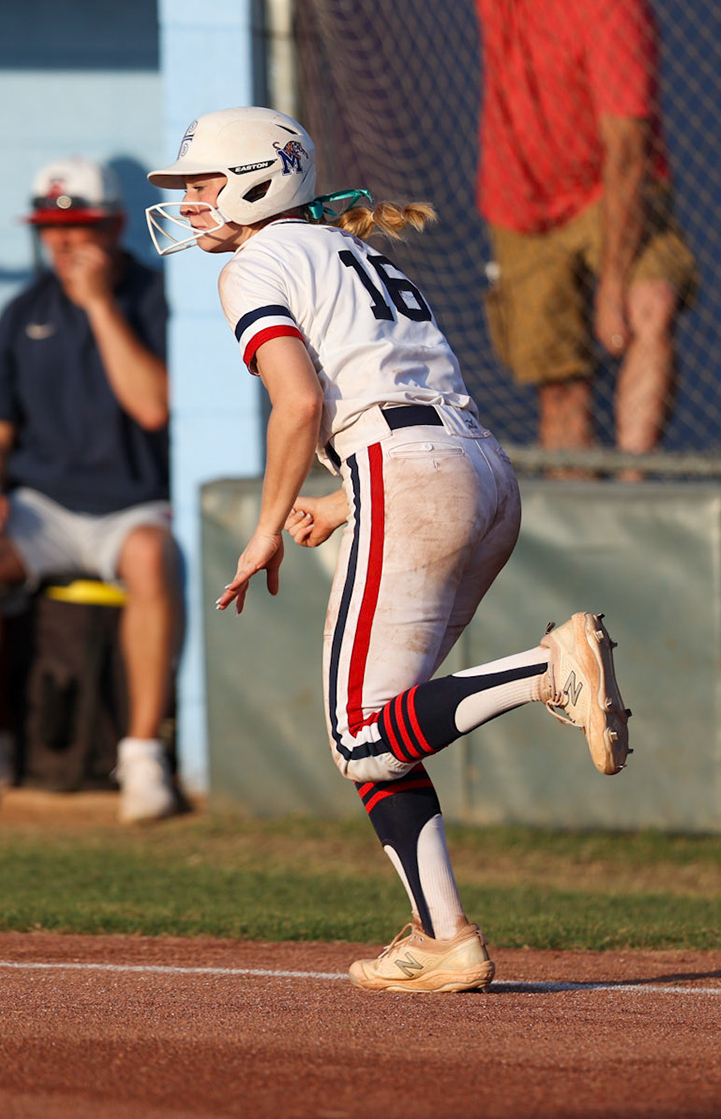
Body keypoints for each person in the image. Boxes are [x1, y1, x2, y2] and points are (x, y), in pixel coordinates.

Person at [146, 106, 630, 992]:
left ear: (261, 179)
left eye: (204, 183)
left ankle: (547, 670)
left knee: (361, 731)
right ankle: (442, 935)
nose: (191, 203)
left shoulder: (258, 260)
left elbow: (298, 404)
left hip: (406, 468)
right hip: (475, 468)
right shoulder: (347, 247)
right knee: (381, 733)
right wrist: (340, 505)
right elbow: (398, 392)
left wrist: (266, 527)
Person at [358, 0, 694, 470]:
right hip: (519, 201)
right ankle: (586, 519)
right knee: (560, 381)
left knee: (650, 306)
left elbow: (627, 150)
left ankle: (637, 485)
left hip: (605, 191)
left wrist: (614, 282)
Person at [0, 157, 183, 824]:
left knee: (151, 557)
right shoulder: (21, 312)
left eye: (82, 227)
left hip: (136, 504)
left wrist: (97, 307)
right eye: (49, 229)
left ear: (117, 226)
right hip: (45, 508)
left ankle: (142, 754)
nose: (63, 243)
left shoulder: (155, 298)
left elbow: (154, 407)